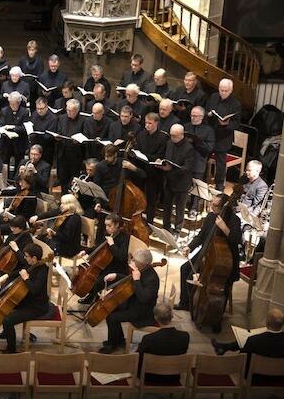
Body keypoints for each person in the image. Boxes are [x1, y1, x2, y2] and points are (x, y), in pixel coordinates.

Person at [175, 194, 241, 326]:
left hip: (224, 259)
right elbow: (201, 237)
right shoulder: (210, 216)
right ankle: (185, 303)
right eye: (212, 203)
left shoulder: (234, 220)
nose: (212, 206)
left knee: (224, 284)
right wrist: (189, 246)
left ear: (223, 207)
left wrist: (224, 228)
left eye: (215, 205)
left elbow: (236, 240)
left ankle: (217, 318)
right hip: (206, 252)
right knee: (185, 269)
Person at [212, 308, 284, 385]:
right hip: (279, 378)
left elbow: (242, 360)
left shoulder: (254, 341)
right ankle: (223, 347)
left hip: (255, 378)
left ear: (267, 322)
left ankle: (224, 347)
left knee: (248, 344)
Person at [99, 248, 159, 353]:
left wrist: (136, 280)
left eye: (135, 261)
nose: (133, 263)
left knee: (112, 317)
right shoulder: (141, 270)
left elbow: (144, 298)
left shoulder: (152, 279)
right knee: (110, 309)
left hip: (142, 312)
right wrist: (116, 276)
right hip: (134, 303)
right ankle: (118, 340)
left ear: (143, 264)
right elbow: (129, 279)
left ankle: (113, 345)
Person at [0, 243, 51, 353]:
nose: (24, 258)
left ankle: (11, 349)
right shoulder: (32, 264)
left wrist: (26, 279)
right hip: (29, 301)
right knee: (5, 306)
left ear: (34, 258)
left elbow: (35, 290)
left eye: (26, 256)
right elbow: (20, 271)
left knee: (8, 320)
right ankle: (6, 333)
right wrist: (7, 275)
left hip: (37, 307)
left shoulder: (42, 270)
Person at [137, 302, 190, 384]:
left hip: (150, 378)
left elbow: (138, 358)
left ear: (155, 318)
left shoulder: (148, 339)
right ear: (172, 316)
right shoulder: (185, 337)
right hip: (173, 377)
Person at [158, 124, 196, 234]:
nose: (172, 138)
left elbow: (187, 168)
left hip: (182, 183)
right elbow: (167, 158)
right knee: (167, 207)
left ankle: (177, 230)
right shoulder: (169, 143)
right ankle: (166, 228)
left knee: (180, 209)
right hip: (169, 180)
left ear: (181, 135)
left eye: (174, 136)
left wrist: (171, 169)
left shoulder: (189, 148)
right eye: (171, 135)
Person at [207, 78, 242, 190]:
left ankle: (219, 187)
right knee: (202, 156)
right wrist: (208, 114)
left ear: (231, 90)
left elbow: (236, 123)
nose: (223, 92)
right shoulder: (213, 97)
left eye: (225, 91)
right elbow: (207, 109)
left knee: (221, 164)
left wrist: (226, 124)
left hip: (223, 137)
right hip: (210, 134)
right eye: (221, 90)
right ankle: (201, 182)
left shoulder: (235, 104)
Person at [133, 113, 168, 224]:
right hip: (141, 171)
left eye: (150, 123)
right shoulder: (141, 135)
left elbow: (160, 156)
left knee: (150, 200)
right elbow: (137, 151)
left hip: (153, 174)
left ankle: (149, 222)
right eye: (146, 123)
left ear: (156, 123)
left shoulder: (163, 138)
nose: (147, 126)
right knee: (138, 197)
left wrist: (145, 156)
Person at [184, 106, 215, 217]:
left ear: (202, 117)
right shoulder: (186, 126)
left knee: (196, 184)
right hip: (184, 159)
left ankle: (194, 207)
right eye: (192, 115)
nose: (193, 118)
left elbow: (209, 149)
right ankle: (182, 204)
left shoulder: (208, 130)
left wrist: (197, 141)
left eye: (196, 116)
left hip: (198, 160)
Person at [55, 99, 86, 191]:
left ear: (76, 110)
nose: (68, 112)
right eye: (67, 109)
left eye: (70, 110)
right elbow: (59, 131)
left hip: (76, 155)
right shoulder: (62, 118)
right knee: (62, 178)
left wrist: (79, 140)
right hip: (63, 153)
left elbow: (85, 136)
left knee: (73, 180)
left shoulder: (83, 120)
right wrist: (58, 136)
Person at [0, 91, 30, 177]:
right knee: (5, 163)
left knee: (19, 164)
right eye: (10, 103)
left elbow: (25, 127)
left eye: (14, 104)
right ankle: (5, 181)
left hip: (19, 143)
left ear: (19, 103)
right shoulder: (4, 111)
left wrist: (13, 128)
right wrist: (5, 131)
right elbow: (1, 125)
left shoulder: (25, 112)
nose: (12, 106)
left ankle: (17, 181)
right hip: (6, 142)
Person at [29, 97, 58, 164]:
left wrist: (39, 133)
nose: (39, 111)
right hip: (34, 145)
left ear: (46, 107)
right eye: (37, 109)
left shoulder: (52, 118)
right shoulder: (34, 114)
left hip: (46, 148)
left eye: (41, 109)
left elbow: (50, 135)